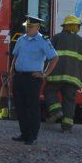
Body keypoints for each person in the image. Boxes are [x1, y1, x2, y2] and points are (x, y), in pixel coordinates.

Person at [10, 15, 58, 145]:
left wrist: (45, 73)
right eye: (27, 26)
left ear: (37, 27)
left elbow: (54, 58)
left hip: (33, 78)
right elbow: (15, 57)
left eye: (30, 27)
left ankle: (32, 136)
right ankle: (24, 133)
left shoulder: (43, 41)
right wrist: (11, 72)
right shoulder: (21, 39)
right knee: (20, 107)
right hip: (19, 76)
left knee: (32, 107)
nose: (28, 29)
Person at [44, 15, 82, 133]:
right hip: (74, 79)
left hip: (55, 76)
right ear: (76, 27)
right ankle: (67, 127)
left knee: (49, 91)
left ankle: (56, 111)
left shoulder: (56, 38)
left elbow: (47, 55)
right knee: (69, 101)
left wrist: (44, 71)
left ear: (65, 26)